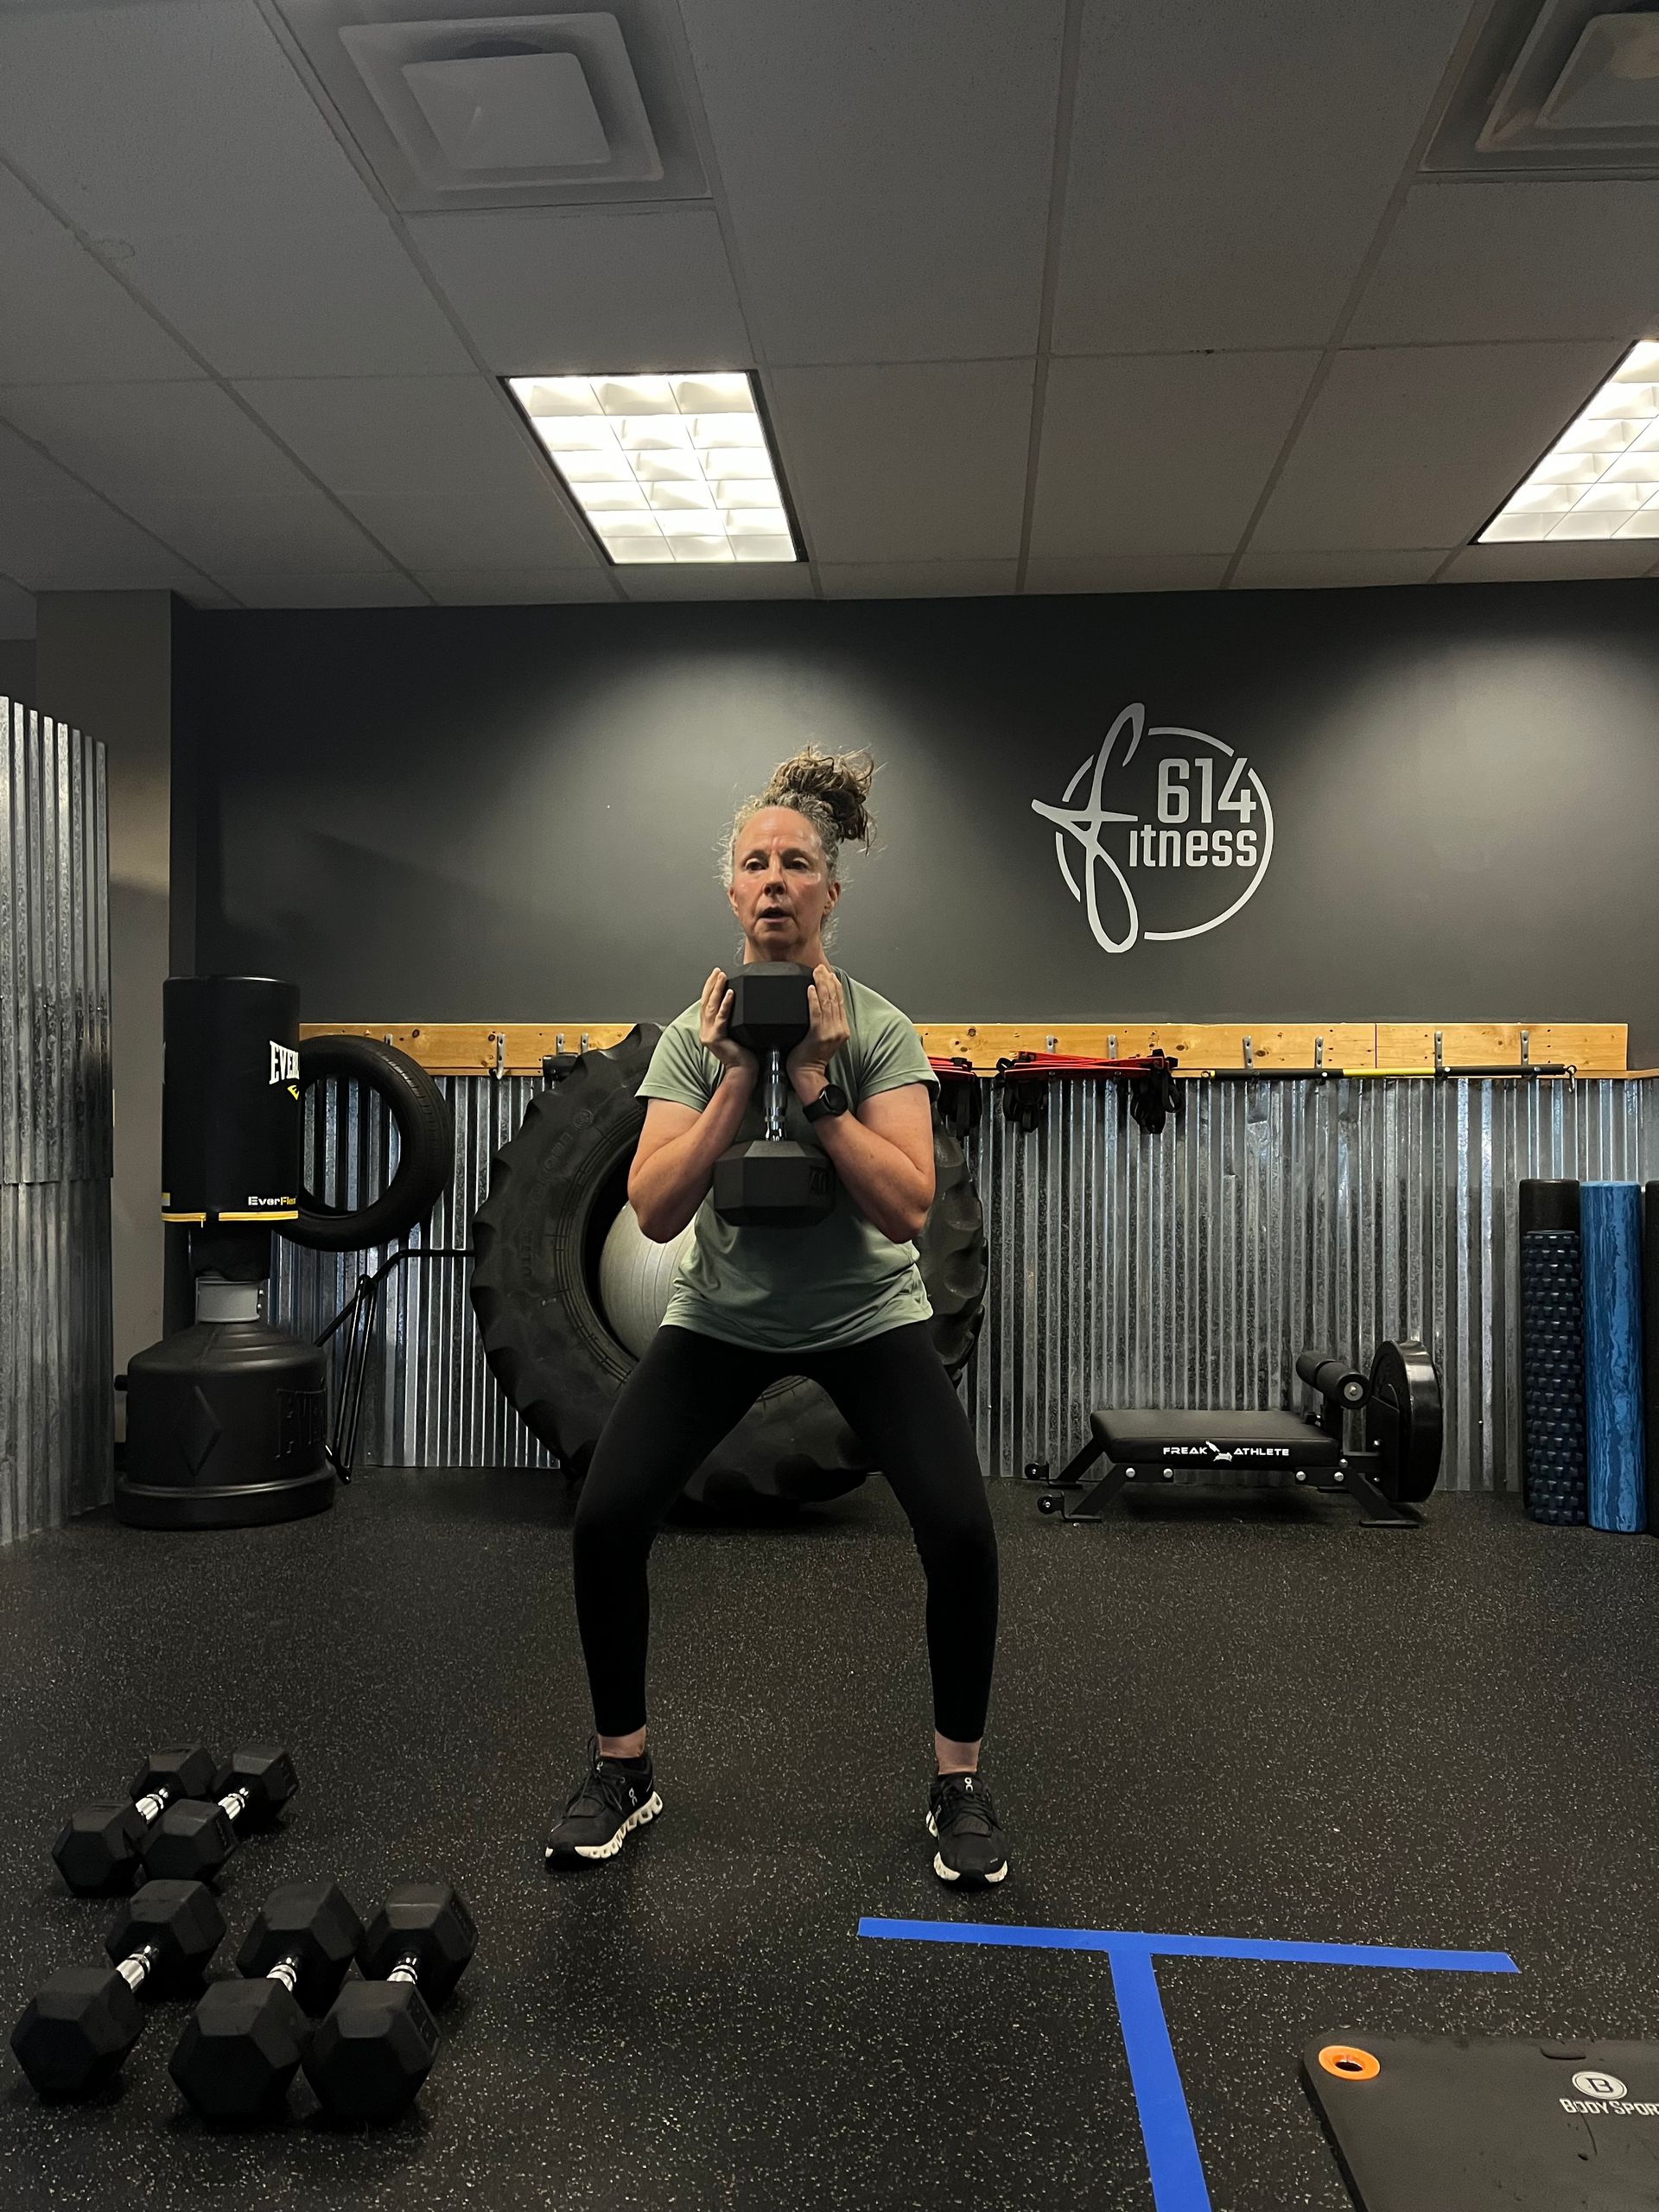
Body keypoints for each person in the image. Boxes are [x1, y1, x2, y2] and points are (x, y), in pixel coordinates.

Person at [544, 746, 1007, 1886]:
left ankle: (959, 1785)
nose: (775, 881)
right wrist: (734, 1080)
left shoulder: (881, 1028)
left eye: (797, 863)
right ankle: (624, 1770)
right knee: (607, 1521)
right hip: (720, 1320)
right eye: (755, 862)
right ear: (732, 891)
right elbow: (653, 1213)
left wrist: (816, 1082)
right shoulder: (689, 1035)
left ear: (829, 894)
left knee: (960, 1534)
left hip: (867, 1319)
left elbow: (904, 1212)